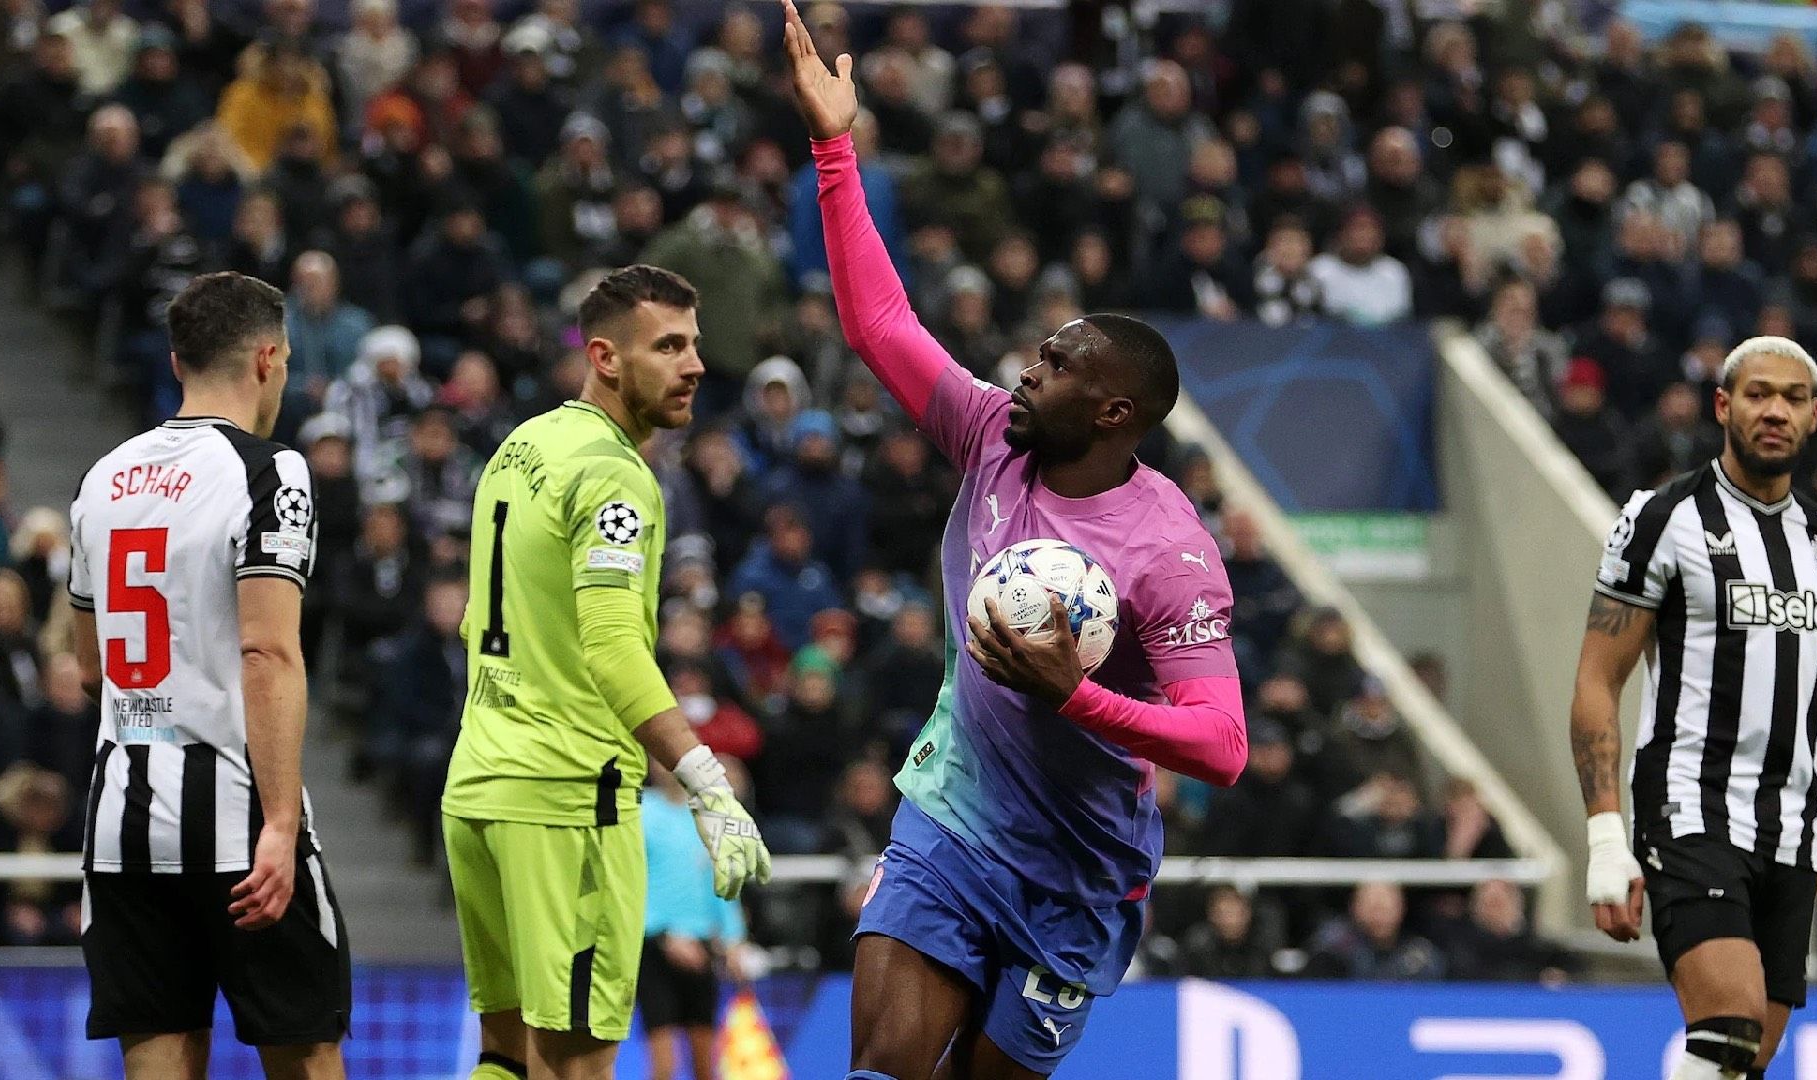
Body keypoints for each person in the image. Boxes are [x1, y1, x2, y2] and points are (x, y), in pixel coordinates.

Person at [784, 7, 1249, 1077]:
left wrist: (1074, 696)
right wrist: (834, 148)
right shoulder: (993, 435)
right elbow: (880, 328)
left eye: (1057, 365)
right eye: (1038, 354)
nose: (1027, 372)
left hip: (1079, 873)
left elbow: (1222, 745)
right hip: (950, 823)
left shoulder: (1167, 552)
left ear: (1114, 413)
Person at [439, 265, 771, 1080]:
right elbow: (614, 648)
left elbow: (476, 618)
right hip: (568, 800)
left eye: (694, 345)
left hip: (480, 784)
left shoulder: (522, 446)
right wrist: (706, 782)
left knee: (504, 1058)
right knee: (578, 1064)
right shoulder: (616, 474)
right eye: (669, 347)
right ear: (605, 358)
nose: (695, 365)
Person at [66, 272, 348, 1079]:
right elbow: (267, 652)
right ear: (267, 359)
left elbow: (91, 667)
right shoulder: (270, 471)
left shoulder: (101, 478)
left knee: (159, 1055)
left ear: (176, 361)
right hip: (235, 819)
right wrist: (281, 823)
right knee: (305, 1052)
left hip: (121, 824)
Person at [1573, 336, 1817, 1080]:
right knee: (1728, 1025)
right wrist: (1606, 837)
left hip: (1791, 833)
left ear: (1814, 416)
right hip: (1690, 810)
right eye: (1758, 394)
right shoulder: (1662, 518)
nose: (1775, 411)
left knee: (1743, 1063)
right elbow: (1598, 680)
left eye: (1792, 398)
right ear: (1724, 406)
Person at [637, 760, 749, 1080]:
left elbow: (723, 881)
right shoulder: (639, 811)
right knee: (664, 1065)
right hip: (654, 946)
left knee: (705, 1065)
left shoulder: (711, 816)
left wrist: (734, 939)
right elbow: (629, 881)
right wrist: (664, 935)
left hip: (702, 946)